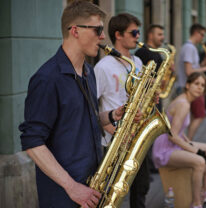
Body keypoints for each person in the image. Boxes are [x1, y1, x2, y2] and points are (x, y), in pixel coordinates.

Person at [18, 1, 131, 207]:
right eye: (97, 30)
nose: (103, 37)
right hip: (65, 196)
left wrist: (113, 114)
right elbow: (32, 142)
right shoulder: (47, 78)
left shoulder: (88, 73)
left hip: (93, 186)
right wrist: (72, 187)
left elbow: (82, 120)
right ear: (75, 31)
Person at [93, 13, 147, 208]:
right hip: (114, 139)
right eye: (133, 32)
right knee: (112, 193)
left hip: (137, 136)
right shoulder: (102, 67)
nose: (137, 37)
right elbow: (91, 106)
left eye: (138, 32)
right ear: (118, 35)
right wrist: (111, 130)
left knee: (141, 188)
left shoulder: (138, 63)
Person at [152, 72, 206, 208]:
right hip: (164, 149)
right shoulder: (184, 104)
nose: (200, 88)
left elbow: (177, 131)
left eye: (203, 85)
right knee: (200, 161)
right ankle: (196, 203)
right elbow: (172, 135)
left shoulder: (186, 100)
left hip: (172, 142)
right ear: (187, 85)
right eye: (196, 84)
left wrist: (188, 142)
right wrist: (194, 150)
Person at [176, 23, 206, 140]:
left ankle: (186, 141)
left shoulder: (190, 47)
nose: (203, 38)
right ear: (196, 33)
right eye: (202, 35)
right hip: (190, 88)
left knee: (192, 116)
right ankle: (188, 141)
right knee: (199, 115)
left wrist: (203, 64)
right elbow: (189, 71)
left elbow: (193, 67)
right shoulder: (189, 47)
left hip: (189, 87)